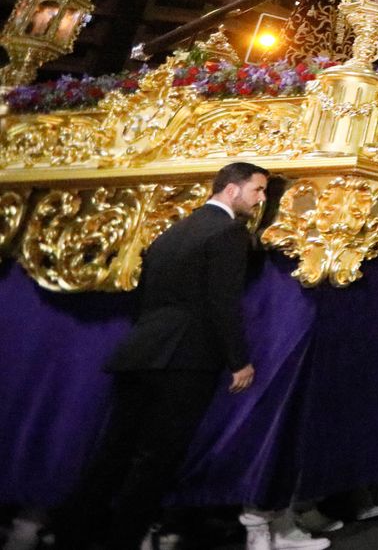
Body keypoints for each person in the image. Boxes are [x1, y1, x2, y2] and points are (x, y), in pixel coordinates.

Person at [51, 161, 266, 550]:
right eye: (257, 190)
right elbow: (223, 302)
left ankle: (73, 534)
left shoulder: (173, 232)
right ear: (232, 191)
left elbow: (145, 300)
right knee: (157, 460)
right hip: (185, 360)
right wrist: (239, 360)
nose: (261, 199)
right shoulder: (229, 232)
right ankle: (123, 540)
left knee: (113, 452)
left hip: (140, 352)